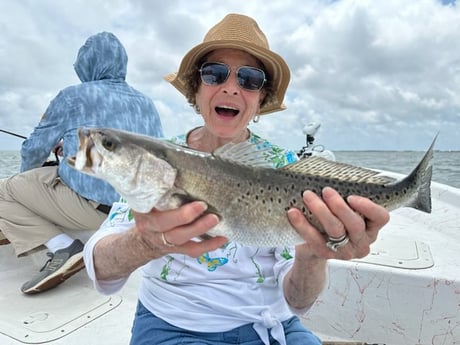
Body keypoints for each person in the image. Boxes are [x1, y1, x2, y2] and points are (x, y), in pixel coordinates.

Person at [83, 14, 390, 345]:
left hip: (273, 326)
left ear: (260, 99)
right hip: (173, 325)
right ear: (196, 90)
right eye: (214, 74)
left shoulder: (287, 169)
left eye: (249, 79)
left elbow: (298, 302)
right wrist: (145, 243)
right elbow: (101, 268)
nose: (231, 86)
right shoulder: (156, 160)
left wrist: (313, 256)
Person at [0, 32, 163, 294]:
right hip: (134, 214)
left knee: (3, 191)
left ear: (87, 64)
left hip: (92, 210)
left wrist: (25, 188)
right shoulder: (147, 104)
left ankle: (63, 247)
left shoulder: (73, 96)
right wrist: (72, 150)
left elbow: (33, 151)